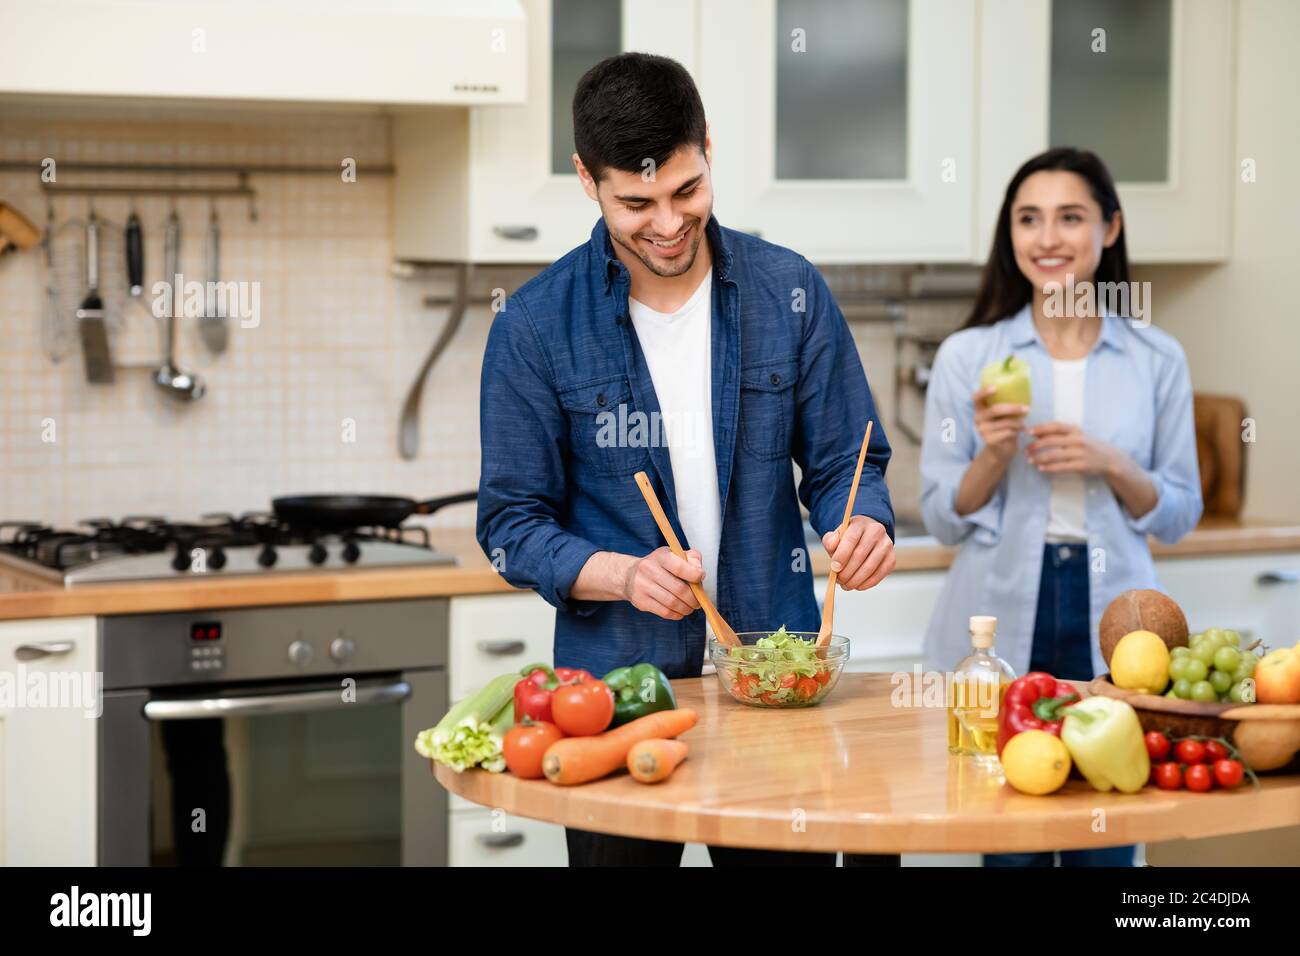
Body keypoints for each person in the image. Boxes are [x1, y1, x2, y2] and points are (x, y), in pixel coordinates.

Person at [477, 52, 898, 867]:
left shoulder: (791, 292)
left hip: (777, 678)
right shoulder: (533, 326)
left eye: (687, 190)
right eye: (636, 202)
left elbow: (853, 459)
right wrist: (622, 574)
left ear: (708, 150)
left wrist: (866, 523)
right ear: (586, 180)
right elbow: (510, 527)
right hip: (618, 696)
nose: (667, 223)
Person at [920, 147, 1203, 866]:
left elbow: (1178, 512)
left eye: (1069, 217)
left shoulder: (1156, 357)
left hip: (1119, 619)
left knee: (1106, 829)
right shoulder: (969, 357)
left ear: (1110, 228)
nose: (1047, 238)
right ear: (1009, 235)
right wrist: (990, 453)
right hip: (997, 607)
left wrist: (1110, 461)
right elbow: (943, 518)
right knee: (1005, 831)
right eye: (1028, 219)